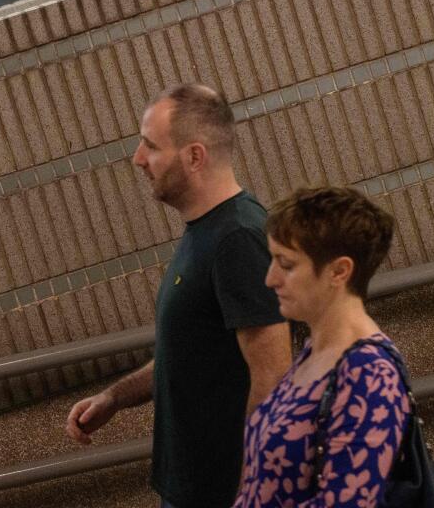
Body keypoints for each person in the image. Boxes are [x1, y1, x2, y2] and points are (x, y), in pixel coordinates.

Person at [65, 84, 291, 508]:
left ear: (194, 156)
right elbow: (188, 349)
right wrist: (114, 397)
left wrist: (254, 493)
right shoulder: (207, 232)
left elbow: (273, 376)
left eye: (151, 146)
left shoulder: (238, 239)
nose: (137, 159)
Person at [234, 186, 410, 508]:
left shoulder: (369, 374)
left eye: (285, 264)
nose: (270, 279)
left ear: (339, 271)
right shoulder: (316, 351)